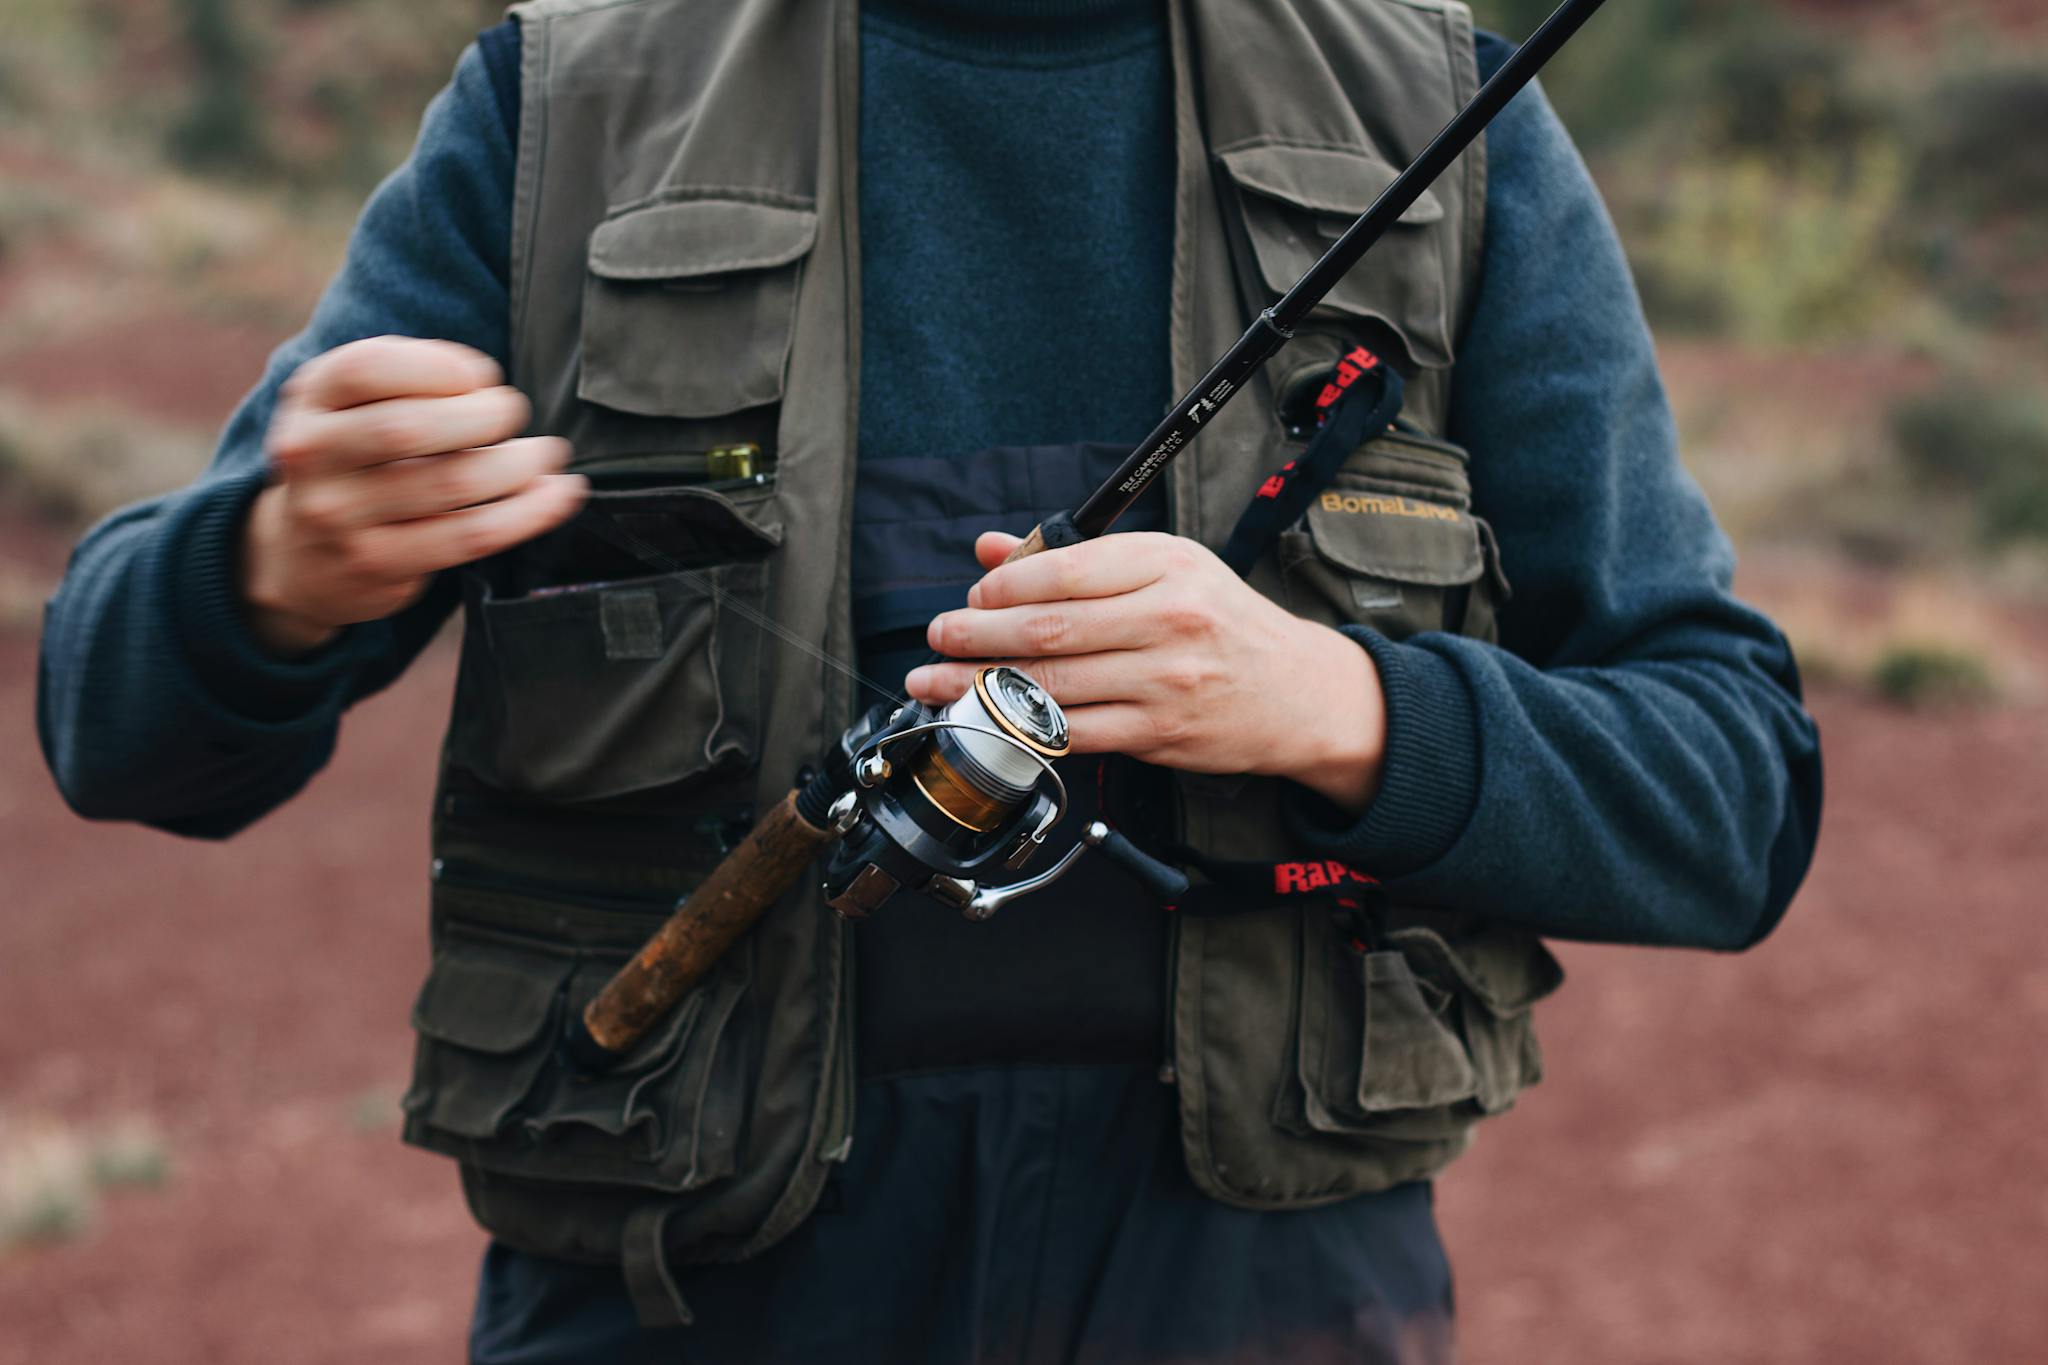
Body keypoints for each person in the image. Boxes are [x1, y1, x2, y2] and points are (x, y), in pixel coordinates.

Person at [36, 0, 1823, 1360]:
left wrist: (1341, 704)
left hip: (1261, 1292)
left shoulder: (1443, 108)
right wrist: (264, 573)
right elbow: (117, 726)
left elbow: (1735, 796)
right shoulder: (566, 101)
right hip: (681, 1289)